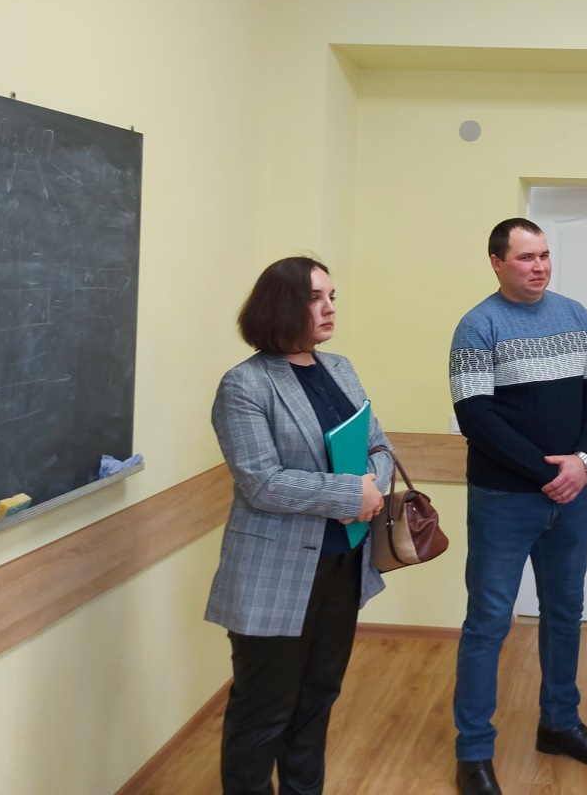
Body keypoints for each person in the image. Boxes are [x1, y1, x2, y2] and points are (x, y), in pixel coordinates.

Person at [448, 219, 587, 795]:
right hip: (504, 501)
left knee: (565, 613)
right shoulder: (478, 326)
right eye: (526, 257)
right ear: (496, 263)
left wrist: (584, 461)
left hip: (570, 498)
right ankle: (474, 752)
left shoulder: (575, 315)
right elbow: (476, 418)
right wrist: (549, 473)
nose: (540, 266)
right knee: (488, 623)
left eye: (544, 255)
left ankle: (560, 725)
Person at [206, 255, 394, 795]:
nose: (330, 308)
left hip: (342, 565)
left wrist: (374, 485)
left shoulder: (341, 369)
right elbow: (261, 482)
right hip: (275, 574)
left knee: (317, 701)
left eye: (332, 297)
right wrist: (352, 494)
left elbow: (380, 446)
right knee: (263, 713)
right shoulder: (245, 385)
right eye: (315, 298)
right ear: (281, 306)